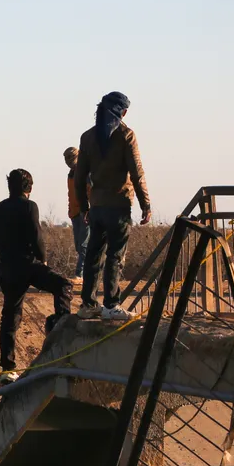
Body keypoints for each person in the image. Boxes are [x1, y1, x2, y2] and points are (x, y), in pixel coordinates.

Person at [0, 169, 73, 384]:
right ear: (29, 188)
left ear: (10, 187)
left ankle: (7, 367)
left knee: (10, 317)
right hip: (28, 265)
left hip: (8, 269)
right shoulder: (29, 206)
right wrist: (42, 261)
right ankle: (59, 330)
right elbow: (36, 236)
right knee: (62, 285)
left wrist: (0, 268)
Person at [74, 91, 152, 321]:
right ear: (123, 112)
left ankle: (88, 304)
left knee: (93, 256)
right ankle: (111, 305)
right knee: (115, 256)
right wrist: (145, 204)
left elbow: (79, 178)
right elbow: (137, 173)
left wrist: (84, 207)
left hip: (96, 206)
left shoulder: (88, 137)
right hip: (119, 205)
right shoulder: (126, 135)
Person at [64, 146, 89, 279]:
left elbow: (90, 191)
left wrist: (88, 211)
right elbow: (70, 194)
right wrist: (70, 210)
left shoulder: (86, 171)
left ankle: (80, 274)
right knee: (79, 246)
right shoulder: (71, 174)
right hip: (75, 213)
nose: (68, 161)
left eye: (70, 158)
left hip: (85, 213)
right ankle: (84, 273)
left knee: (84, 245)